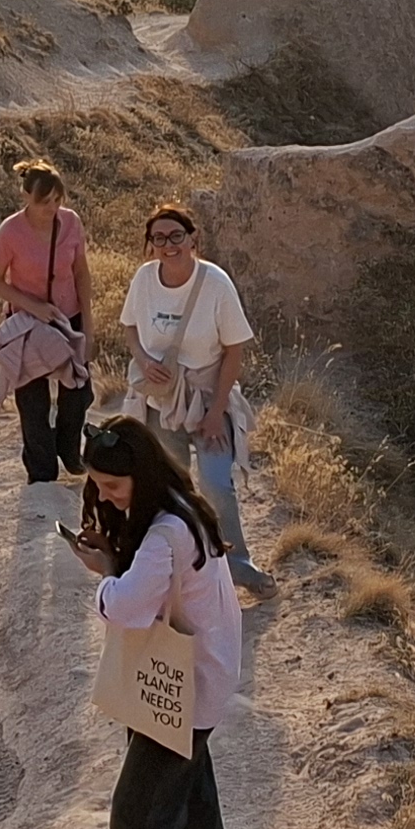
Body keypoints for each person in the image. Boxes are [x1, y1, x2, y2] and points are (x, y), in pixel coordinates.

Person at [71, 414, 241, 829]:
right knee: (187, 781)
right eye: (98, 486)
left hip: (179, 684)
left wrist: (102, 575)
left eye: (114, 487)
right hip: (203, 675)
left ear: (139, 476)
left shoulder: (163, 535)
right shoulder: (180, 509)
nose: (106, 497)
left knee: (138, 817)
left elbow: (125, 608)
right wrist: (120, 559)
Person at [117, 204, 266, 590]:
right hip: (162, 402)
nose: (168, 245)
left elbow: (234, 350)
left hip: (205, 397)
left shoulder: (215, 283)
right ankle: (183, 568)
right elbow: (130, 327)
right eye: (159, 238)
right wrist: (144, 361)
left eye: (176, 236)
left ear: (193, 239)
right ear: (150, 245)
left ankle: (237, 562)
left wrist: (217, 411)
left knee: (216, 483)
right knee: (172, 488)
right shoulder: (144, 279)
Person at [0, 157, 90, 488]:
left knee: (80, 392)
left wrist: (90, 323)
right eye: (45, 202)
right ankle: (42, 474)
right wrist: (33, 306)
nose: (52, 208)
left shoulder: (70, 223)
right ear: (26, 196)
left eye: (58, 200)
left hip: (68, 317)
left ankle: (69, 450)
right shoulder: (10, 231)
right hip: (27, 323)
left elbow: (81, 271)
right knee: (33, 402)